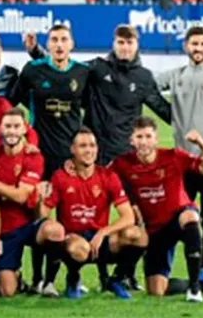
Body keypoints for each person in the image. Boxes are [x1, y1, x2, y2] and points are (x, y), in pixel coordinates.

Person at [9, 24, 90, 292]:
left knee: (70, 220)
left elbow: (90, 111)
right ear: (48, 44)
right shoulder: (32, 71)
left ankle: (61, 278)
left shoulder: (83, 72)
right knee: (41, 221)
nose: (59, 44)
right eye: (54, 40)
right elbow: (12, 103)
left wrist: (83, 151)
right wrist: (24, 141)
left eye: (63, 39)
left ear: (72, 44)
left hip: (70, 160)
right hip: (39, 157)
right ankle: (37, 279)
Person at [110, 117, 203, 302]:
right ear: (132, 140)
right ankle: (199, 282)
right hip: (155, 231)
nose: (144, 141)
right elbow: (101, 178)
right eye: (139, 136)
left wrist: (201, 143)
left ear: (156, 139)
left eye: (148, 136)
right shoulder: (123, 164)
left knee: (189, 215)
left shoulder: (174, 157)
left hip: (177, 218)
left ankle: (195, 289)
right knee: (156, 290)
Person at [24, 25, 172, 165]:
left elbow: (163, 109)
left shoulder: (144, 78)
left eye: (129, 42)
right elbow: (66, 70)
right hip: (92, 151)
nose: (125, 47)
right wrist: (36, 51)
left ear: (137, 45)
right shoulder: (98, 67)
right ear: (114, 44)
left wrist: (190, 121)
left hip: (126, 154)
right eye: (121, 42)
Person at [156, 25, 203, 292]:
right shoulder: (176, 76)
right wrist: (171, 116)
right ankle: (162, 271)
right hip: (182, 164)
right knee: (173, 215)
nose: (198, 48)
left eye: (202, 44)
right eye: (194, 44)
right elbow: (148, 86)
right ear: (186, 46)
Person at [37, 128, 147, 300]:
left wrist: (103, 232)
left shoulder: (108, 176)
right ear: (72, 149)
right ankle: (73, 278)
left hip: (100, 238)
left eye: (92, 146)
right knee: (78, 248)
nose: (88, 150)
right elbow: (44, 210)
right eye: (82, 146)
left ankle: (116, 279)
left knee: (138, 236)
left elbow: (128, 216)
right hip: (73, 240)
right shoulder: (61, 176)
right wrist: (56, 232)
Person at [0, 108, 54, 298]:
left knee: (54, 231)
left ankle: (46, 280)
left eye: (16, 126)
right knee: (7, 291)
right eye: (8, 126)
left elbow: (22, 196)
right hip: (6, 229)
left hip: (29, 224)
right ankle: (18, 277)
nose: (12, 131)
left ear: (25, 129)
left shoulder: (34, 157)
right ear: (0, 129)